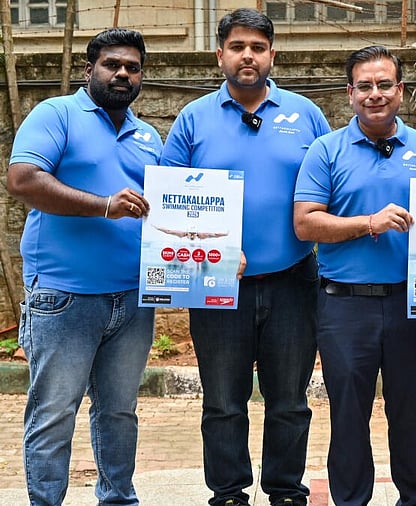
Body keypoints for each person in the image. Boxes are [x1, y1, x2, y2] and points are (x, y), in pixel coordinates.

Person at [161, 9, 330, 506]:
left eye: (258, 47)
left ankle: (285, 491)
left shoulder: (306, 115)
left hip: (293, 280)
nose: (248, 55)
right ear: (220, 55)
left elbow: (330, 186)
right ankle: (229, 492)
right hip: (216, 284)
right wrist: (204, 250)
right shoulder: (193, 118)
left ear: (272, 54)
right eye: (237, 47)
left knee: (289, 402)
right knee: (222, 403)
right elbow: (171, 196)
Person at [7, 29, 160, 506]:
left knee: (119, 412)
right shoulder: (57, 114)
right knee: (55, 412)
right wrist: (104, 205)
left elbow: (171, 209)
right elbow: (23, 179)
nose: (122, 74)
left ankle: (118, 498)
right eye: (112, 64)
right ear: (89, 69)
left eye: (132, 68)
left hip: (133, 299)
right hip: (64, 294)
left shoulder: (148, 135)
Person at [293, 45, 416, 506]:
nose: (375, 94)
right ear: (349, 93)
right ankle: (351, 500)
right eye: (365, 86)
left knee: (411, 414)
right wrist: (368, 222)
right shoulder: (326, 150)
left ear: (401, 90)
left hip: (412, 305)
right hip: (344, 306)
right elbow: (305, 223)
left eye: (384, 85)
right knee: (348, 415)